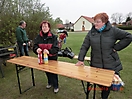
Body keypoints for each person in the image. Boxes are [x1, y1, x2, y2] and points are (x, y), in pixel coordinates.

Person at [75, 12, 132, 99]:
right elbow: (84, 46)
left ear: (104, 22)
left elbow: (128, 36)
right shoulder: (91, 32)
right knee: (99, 83)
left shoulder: (113, 31)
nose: (95, 24)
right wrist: (80, 60)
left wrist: (116, 47)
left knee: (106, 87)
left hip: (110, 64)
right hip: (96, 64)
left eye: (98, 22)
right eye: (94, 21)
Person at [33, 21, 59, 93]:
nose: (44, 28)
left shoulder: (53, 37)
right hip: (43, 58)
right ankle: (50, 83)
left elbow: (56, 48)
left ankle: (56, 86)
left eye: (46, 26)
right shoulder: (38, 37)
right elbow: (34, 46)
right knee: (46, 71)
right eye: (43, 26)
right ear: (41, 28)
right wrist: (36, 49)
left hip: (52, 58)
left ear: (49, 28)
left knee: (53, 72)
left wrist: (49, 51)